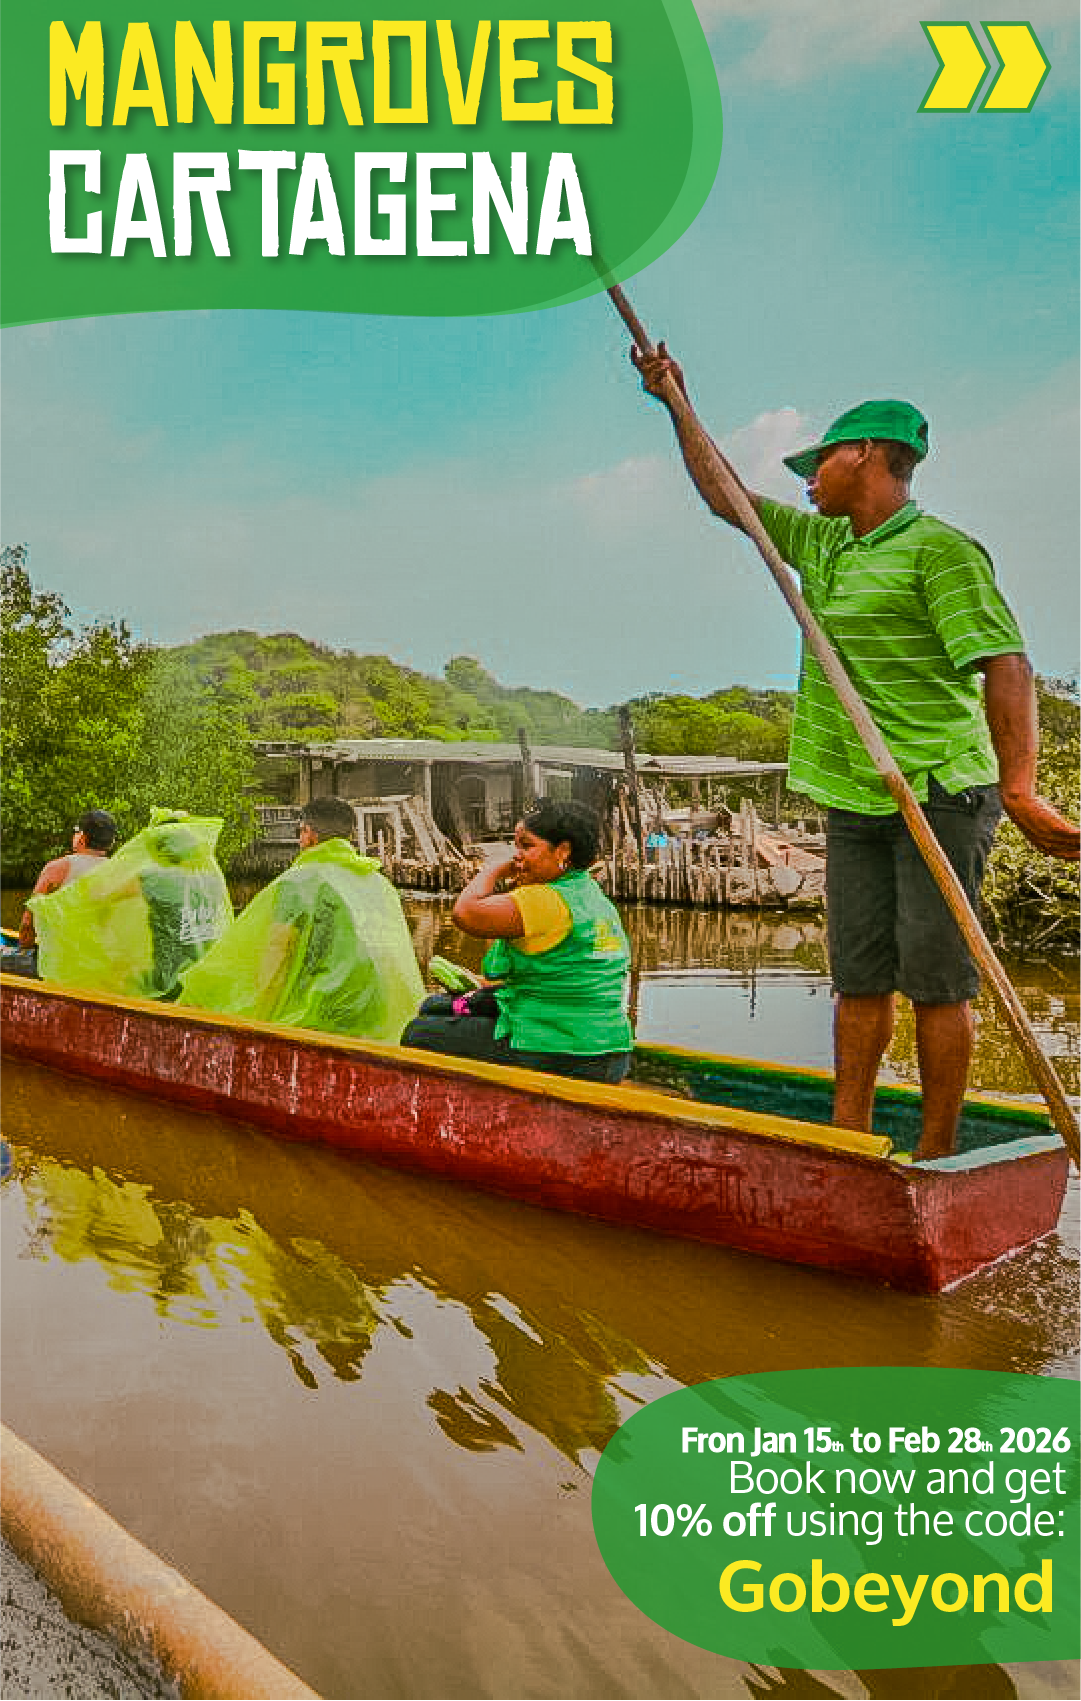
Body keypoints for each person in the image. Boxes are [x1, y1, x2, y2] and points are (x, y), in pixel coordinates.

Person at [634, 347, 1081, 1157]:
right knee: (858, 979)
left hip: (938, 787)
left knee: (939, 985)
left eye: (821, 461)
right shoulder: (823, 545)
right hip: (853, 789)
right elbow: (724, 497)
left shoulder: (938, 550)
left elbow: (1004, 662)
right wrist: (676, 402)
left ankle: (938, 1153)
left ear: (869, 455)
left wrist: (1019, 790)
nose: (807, 477)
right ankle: (848, 1140)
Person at [402, 799, 634, 1083]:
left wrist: (495, 870)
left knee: (418, 1032)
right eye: (516, 847)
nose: (517, 856)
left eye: (527, 846)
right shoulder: (592, 896)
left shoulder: (544, 899)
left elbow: (465, 913)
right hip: (610, 1051)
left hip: (564, 1052)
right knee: (434, 1006)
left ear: (563, 851)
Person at [178, 795, 424, 1042]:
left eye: (301, 832)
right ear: (349, 836)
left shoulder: (299, 883)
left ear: (309, 834)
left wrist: (254, 1023)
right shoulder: (377, 882)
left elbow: (277, 955)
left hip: (322, 1016)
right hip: (377, 1016)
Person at [30, 809, 232, 1000]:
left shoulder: (155, 878)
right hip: (201, 975)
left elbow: (97, 897)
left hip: (164, 979)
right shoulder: (210, 879)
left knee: (118, 976)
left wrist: (47, 906)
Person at [0, 808, 117, 979]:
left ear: (82, 837)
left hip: (59, 966)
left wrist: (25, 952)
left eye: (76, 832)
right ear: (111, 842)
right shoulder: (121, 871)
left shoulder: (57, 868)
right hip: (101, 965)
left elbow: (27, 924)